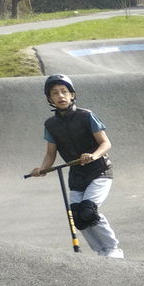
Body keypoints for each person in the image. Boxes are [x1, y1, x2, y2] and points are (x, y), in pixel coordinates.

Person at [28, 74, 123, 258]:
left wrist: (93, 155)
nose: (60, 96)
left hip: (99, 171)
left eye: (64, 92)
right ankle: (101, 252)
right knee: (78, 217)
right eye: (55, 93)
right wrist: (41, 169)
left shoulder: (86, 116)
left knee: (89, 210)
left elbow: (105, 143)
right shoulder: (50, 124)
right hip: (77, 175)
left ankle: (113, 249)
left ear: (72, 95)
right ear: (50, 99)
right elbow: (50, 153)